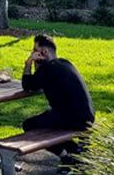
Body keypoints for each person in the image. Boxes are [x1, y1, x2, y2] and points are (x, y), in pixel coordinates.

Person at [21, 34, 94, 168]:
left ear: (44, 52)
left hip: (72, 118)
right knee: (47, 118)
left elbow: (28, 85)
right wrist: (38, 63)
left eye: (34, 50)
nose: (32, 53)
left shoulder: (47, 69)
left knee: (29, 125)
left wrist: (28, 63)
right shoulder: (65, 63)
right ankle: (76, 152)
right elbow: (38, 82)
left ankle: (68, 157)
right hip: (87, 116)